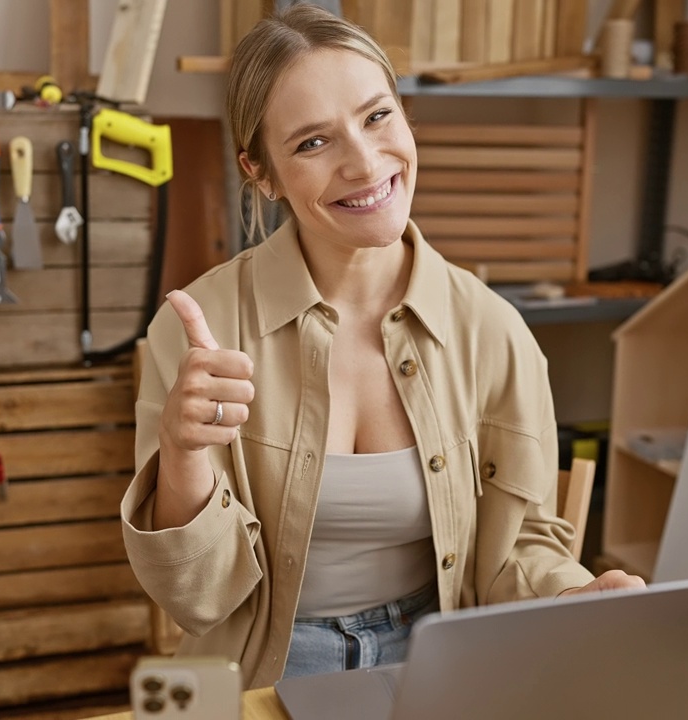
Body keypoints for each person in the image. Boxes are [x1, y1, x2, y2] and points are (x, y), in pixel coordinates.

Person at [120, 2, 645, 690]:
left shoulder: (494, 331)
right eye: (313, 143)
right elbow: (198, 598)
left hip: (438, 658)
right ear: (262, 173)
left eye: (377, 117)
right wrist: (184, 453)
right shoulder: (198, 333)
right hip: (254, 672)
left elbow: (522, 547)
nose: (365, 163)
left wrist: (570, 599)